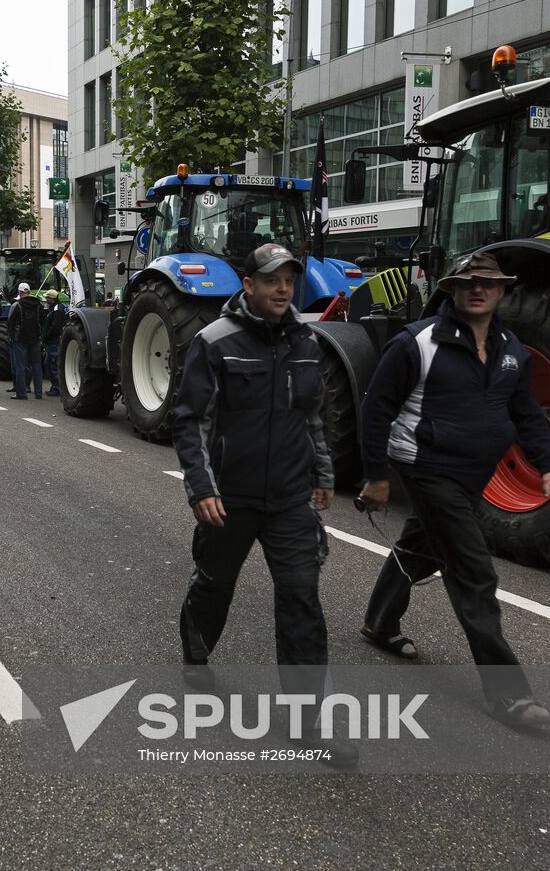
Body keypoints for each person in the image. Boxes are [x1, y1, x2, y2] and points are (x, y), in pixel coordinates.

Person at [357, 252, 550, 728]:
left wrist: (549, 466)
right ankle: (508, 694)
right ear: (451, 289)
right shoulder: (418, 343)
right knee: (474, 572)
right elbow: (376, 409)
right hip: (428, 468)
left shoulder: (512, 348)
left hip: (476, 472)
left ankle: (379, 622)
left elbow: (529, 414)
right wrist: (377, 475)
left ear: (502, 291)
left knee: (422, 545)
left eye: (488, 284)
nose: (478, 289)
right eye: (467, 282)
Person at [172, 243, 352, 763]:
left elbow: (311, 414)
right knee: (214, 583)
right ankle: (196, 650)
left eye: (290, 281)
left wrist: (323, 472)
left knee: (301, 599)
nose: (283, 290)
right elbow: (193, 421)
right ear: (247, 284)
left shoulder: (307, 342)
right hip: (230, 499)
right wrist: (202, 488)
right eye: (272, 280)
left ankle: (306, 722)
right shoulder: (214, 342)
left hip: (292, 498)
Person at [6, 282, 43, 400]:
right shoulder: (38, 305)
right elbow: (43, 321)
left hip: (20, 339)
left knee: (20, 366)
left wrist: (11, 336)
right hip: (35, 339)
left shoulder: (16, 305)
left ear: (20, 292)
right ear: (29, 291)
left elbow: (10, 323)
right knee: (37, 366)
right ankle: (38, 393)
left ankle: (21, 393)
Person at [42, 288, 66, 397]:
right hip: (53, 340)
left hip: (54, 341)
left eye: (47, 297)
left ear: (52, 298)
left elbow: (55, 327)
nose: (46, 299)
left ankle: (56, 388)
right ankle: (56, 387)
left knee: (52, 364)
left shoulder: (56, 310)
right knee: (50, 364)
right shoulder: (55, 308)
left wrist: (46, 336)